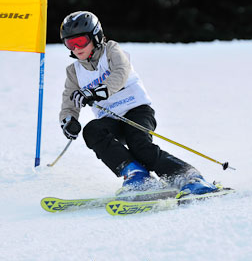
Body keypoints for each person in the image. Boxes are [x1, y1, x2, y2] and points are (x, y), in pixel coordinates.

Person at [58, 11, 219, 197]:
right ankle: (136, 175)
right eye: (70, 43)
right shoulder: (74, 72)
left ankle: (189, 177)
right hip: (111, 119)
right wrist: (68, 120)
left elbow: (120, 72)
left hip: (137, 110)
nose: (76, 48)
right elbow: (69, 102)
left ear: (96, 37)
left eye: (81, 41)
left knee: (139, 145)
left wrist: (98, 91)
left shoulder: (111, 50)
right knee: (92, 130)